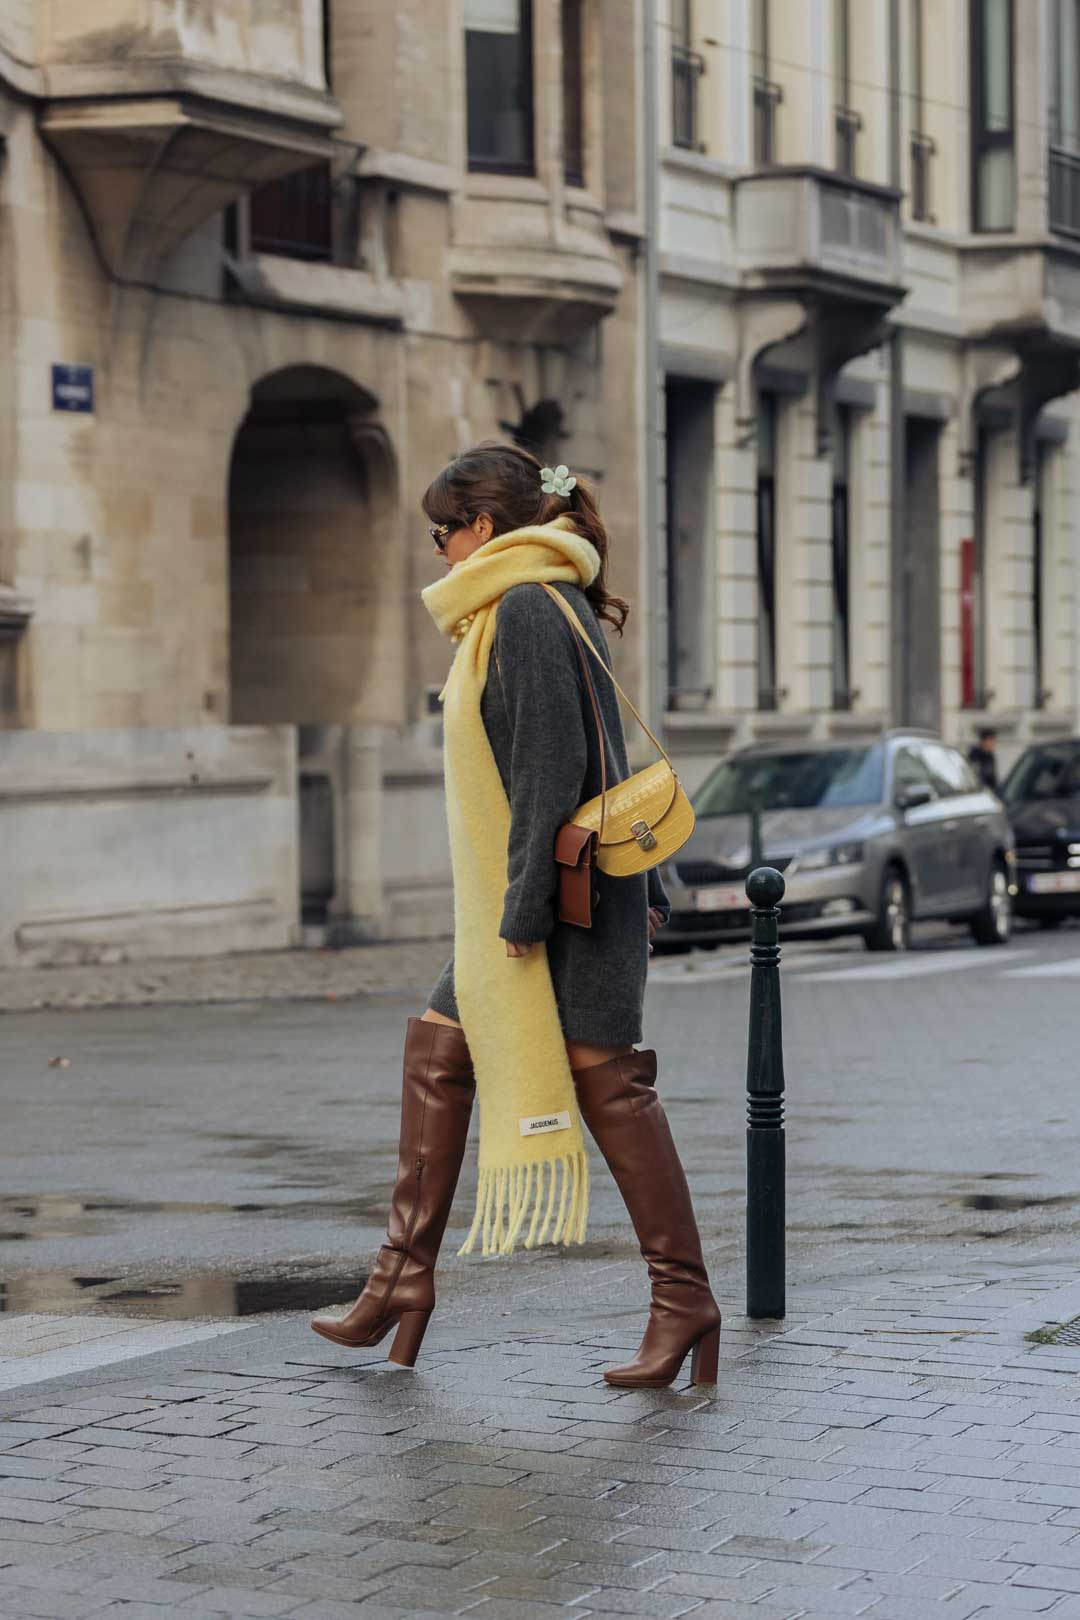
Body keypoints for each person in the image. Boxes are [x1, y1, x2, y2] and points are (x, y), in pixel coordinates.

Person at [310, 442, 721, 1390]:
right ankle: (400, 1281)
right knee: (439, 1051)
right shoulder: (522, 603)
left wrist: (525, 911)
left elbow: (553, 765)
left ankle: (684, 1300)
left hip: (564, 898)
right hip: (540, 885)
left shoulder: (530, 606)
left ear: (485, 527)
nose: (440, 551)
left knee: (610, 1087)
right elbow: (595, 753)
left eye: (443, 531)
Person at [969, 726, 999, 794]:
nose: (993, 744)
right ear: (985, 741)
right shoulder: (975, 756)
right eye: (992, 741)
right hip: (980, 793)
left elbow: (993, 778)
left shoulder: (990, 756)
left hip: (989, 793)